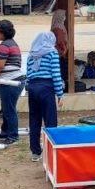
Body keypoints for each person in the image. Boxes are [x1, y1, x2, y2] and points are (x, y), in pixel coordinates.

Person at [26, 31, 64, 162]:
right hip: (46, 88)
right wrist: (60, 94)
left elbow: (28, 74)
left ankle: (35, 152)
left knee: (34, 121)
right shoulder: (52, 53)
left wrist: (28, 89)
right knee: (50, 120)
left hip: (32, 87)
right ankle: (51, 150)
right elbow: (56, 74)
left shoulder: (31, 54)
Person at [0, 20, 23, 145]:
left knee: (9, 110)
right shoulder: (12, 43)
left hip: (10, 81)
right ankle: (5, 131)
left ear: (2, 32)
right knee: (7, 108)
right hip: (15, 79)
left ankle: (13, 136)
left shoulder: (4, 45)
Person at [50, 8, 69, 89]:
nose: (64, 17)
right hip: (59, 52)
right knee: (61, 70)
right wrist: (64, 50)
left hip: (56, 51)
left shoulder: (55, 25)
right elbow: (60, 40)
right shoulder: (59, 27)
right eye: (63, 16)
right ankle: (61, 87)